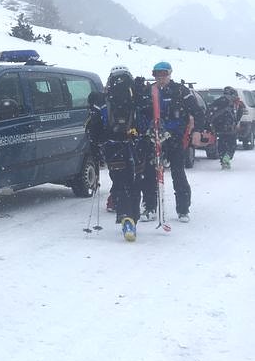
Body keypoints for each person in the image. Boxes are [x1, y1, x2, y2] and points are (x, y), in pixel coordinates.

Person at [87, 66, 148, 241]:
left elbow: (93, 130)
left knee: (120, 183)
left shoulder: (102, 101)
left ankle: (124, 216)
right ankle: (132, 218)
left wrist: (96, 152)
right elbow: (149, 121)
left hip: (113, 148)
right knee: (135, 183)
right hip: (136, 147)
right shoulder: (137, 99)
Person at [145, 61, 206, 222]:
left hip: (175, 139)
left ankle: (183, 209)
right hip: (155, 139)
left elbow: (198, 112)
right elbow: (142, 113)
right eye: (157, 74)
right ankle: (150, 207)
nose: (160, 77)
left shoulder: (180, 91)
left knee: (178, 172)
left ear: (170, 74)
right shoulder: (150, 91)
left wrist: (197, 131)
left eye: (164, 74)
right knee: (150, 173)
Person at [208, 86, 244, 170]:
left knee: (222, 143)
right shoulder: (235, 102)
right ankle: (227, 158)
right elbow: (239, 113)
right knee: (232, 144)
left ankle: (223, 159)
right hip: (230, 127)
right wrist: (235, 122)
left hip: (219, 128)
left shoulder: (218, 101)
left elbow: (211, 111)